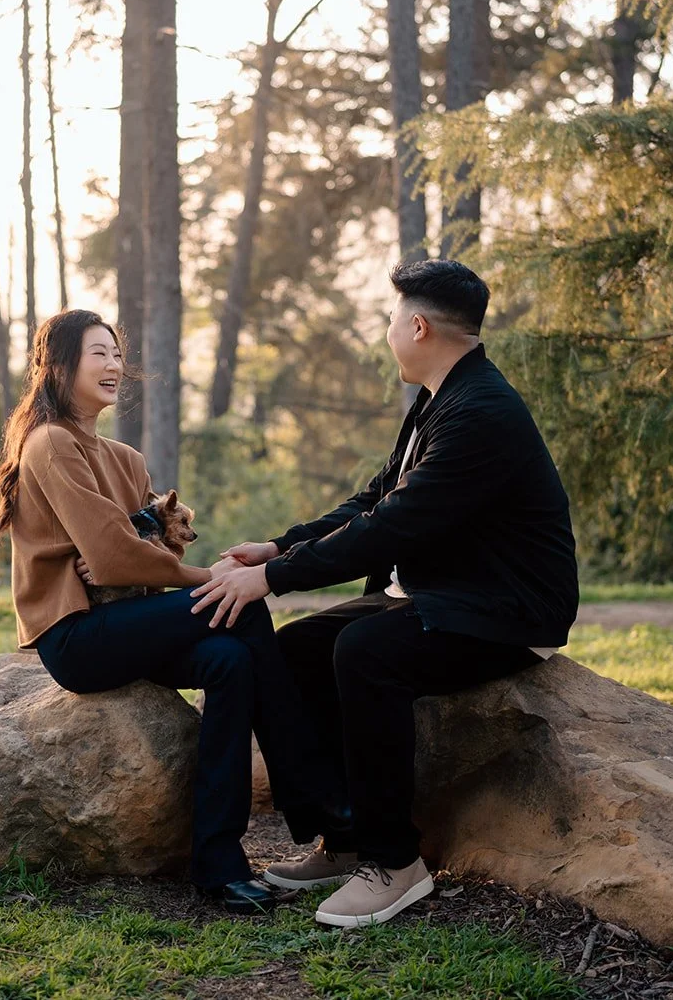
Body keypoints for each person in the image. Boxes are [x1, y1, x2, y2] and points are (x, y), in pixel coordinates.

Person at [191, 259, 579, 928]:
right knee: (297, 650)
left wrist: (273, 580)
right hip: (443, 593)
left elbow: (391, 527)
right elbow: (375, 499)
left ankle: (395, 862)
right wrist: (281, 548)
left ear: (418, 325)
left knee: (365, 650)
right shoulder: (441, 397)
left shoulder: (481, 410)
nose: (388, 331)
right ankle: (343, 836)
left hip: (505, 608)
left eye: (392, 318)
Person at [0, 309, 344, 915]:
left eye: (116, 354)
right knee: (243, 607)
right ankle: (319, 802)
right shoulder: (49, 443)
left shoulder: (126, 460)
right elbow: (113, 554)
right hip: (77, 637)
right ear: (59, 366)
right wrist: (212, 576)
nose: (113, 365)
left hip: (136, 621)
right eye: (98, 353)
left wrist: (132, 556)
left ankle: (218, 863)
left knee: (230, 660)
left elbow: (145, 552)